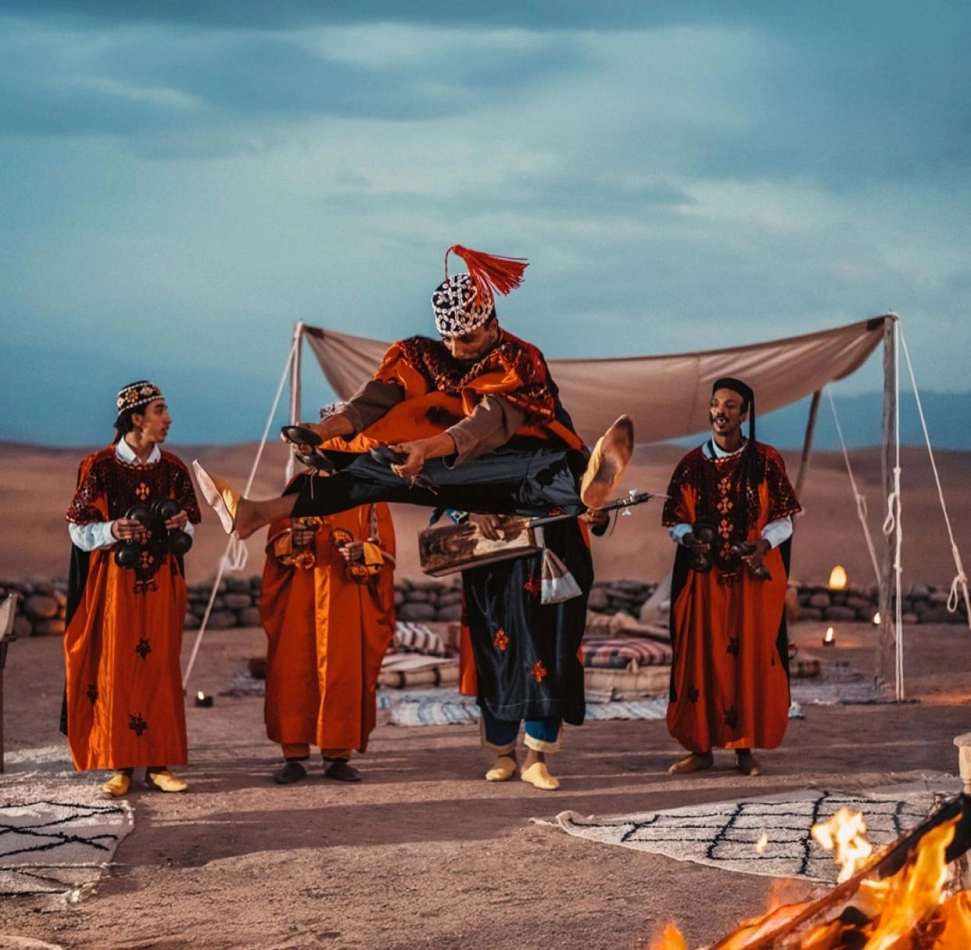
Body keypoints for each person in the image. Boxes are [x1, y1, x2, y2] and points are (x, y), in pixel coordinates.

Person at [192, 244, 634, 539]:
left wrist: (426, 446)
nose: (457, 350)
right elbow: (377, 399)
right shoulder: (420, 354)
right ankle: (256, 513)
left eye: (470, 339)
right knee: (367, 470)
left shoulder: (518, 358)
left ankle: (585, 487)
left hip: (513, 460)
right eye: (450, 340)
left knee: (553, 474)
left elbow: (488, 423)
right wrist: (325, 430)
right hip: (450, 469)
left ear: (493, 326)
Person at [63, 381, 200, 797]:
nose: (169, 418)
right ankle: (120, 765)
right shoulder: (100, 466)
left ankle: (158, 763)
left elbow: (190, 522)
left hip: (161, 583)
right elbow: (77, 527)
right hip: (114, 585)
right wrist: (110, 529)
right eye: (161, 410)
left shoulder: (174, 469)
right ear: (136, 417)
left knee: (160, 667)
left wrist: (180, 524)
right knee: (117, 668)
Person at [662, 377, 801, 777]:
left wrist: (762, 546)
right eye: (715, 404)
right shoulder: (690, 465)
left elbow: (784, 519)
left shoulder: (766, 460)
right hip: (703, 584)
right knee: (700, 660)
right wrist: (688, 538)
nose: (720, 411)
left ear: (744, 413)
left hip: (748, 584)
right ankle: (700, 748)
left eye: (730, 405)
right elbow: (674, 520)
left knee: (749, 661)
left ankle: (744, 750)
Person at [456, 509, 608, 790]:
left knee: (550, 653)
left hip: (555, 553)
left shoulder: (565, 462)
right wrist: (471, 513)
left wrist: (596, 514)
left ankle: (535, 759)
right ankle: (503, 753)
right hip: (496, 558)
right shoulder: (472, 461)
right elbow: (446, 486)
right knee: (497, 653)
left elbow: (587, 488)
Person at [260, 489, 396, 785]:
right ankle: (293, 756)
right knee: (295, 670)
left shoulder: (367, 490)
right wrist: (292, 541)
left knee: (343, 673)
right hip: (300, 597)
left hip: (347, 595)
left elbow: (385, 546)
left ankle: (337, 755)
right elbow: (275, 542)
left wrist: (364, 553)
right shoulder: (299, 487)